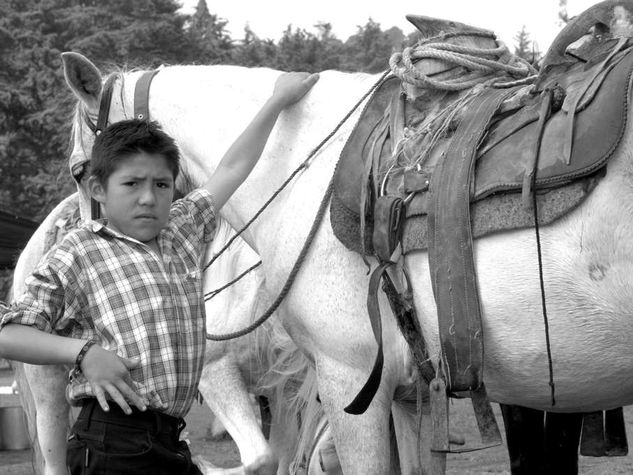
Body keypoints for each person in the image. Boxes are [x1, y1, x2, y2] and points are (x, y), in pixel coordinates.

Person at [0, 71, 319, 474]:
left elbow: (232, 168)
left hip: (169, 441)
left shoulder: (182, 229)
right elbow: (7, 333)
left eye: (162, 185)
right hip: (110, 445)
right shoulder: (78, 251)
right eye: (131, 184)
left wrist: (276, 101)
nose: (148, 198)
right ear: (98, 189)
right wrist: (83, 353)